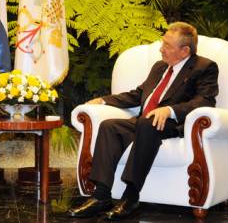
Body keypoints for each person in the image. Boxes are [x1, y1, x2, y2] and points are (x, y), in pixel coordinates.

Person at [68, 22, 219, 220]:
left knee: (148, 124)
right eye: (162, 43)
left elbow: (204, 100)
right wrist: (104, 100)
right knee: (109, 126)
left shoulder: (204, 67)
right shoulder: (160, 67)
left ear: (184, 51)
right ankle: (101, 195)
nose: (161, 49)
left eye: (167, 46)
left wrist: (170, 110)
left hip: (173, 124)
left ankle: (131, 196)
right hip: (145, 122)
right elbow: (138, 95)